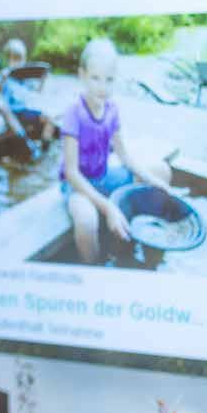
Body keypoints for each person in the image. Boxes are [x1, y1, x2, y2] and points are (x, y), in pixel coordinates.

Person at [61, 37, 171, 264]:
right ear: (82, 75)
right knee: (86, 221)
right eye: (95, 78)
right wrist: (108, 207)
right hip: (77, 186)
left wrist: (151, 179)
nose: (102, 87)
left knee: (162, 171)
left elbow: (124, 156)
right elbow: (71, 173)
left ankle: (146, 239)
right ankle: (94, 269)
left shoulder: (112, 110)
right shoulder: (73, 113)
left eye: (109, 80)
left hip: (103, 177)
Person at [0, 38, 54, 158]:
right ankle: (26, 143)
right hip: (12, 112)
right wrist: (3, 80)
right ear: (8, 59)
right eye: (14, 59)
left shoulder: (25, 75)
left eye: (20, 59)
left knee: (49, 118)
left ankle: (45, 149)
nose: (17, 62)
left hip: (25, 110)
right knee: (3, 108)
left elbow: (38, 91)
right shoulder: (5, 74)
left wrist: (43, 80)